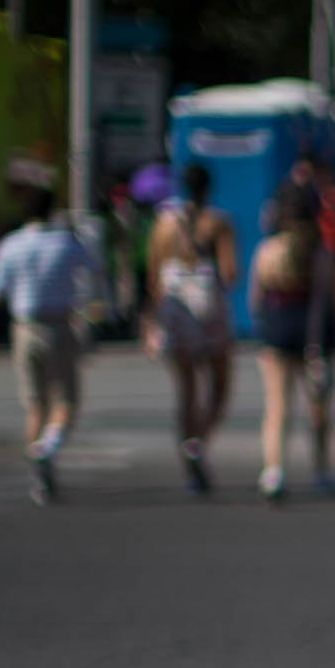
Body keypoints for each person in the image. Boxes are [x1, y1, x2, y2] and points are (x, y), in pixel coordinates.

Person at [0, 185, 107, 504]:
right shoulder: (66, 241)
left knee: (35, 403)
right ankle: (46, 449)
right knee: (67, 401)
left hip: (24, 327)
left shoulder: (10, 245)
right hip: (60, 324)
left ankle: (37, 476)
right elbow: (95, 271)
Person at [248, 187, 335, 500]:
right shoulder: (321, 254)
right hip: (315, 339)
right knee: (319, 409)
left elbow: (256, 301)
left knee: (277, 407)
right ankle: (322, 469)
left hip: (278, 333)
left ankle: (273, 470)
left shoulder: (268, 251)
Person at [145, 162, 239, 495]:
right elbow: (229, 273)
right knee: (220, 383)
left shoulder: (164, 225)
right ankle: (200, 440)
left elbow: (153, 277)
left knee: (186, 390)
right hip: (207, 306)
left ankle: (189, 461)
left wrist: (151, 321)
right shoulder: (218, 223)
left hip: (174, 307)